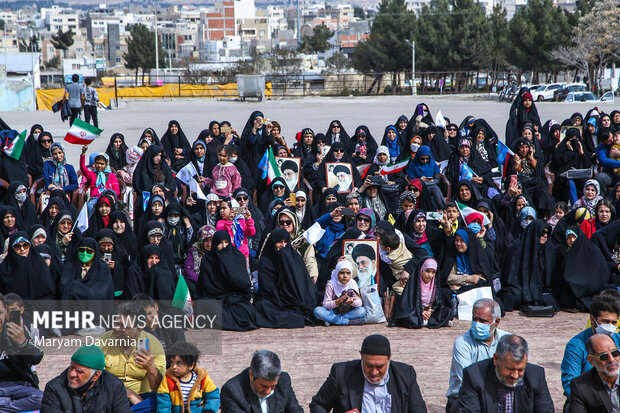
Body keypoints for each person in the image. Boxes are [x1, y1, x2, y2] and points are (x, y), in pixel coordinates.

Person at [310, 334, 427, 412]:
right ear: (361, 356)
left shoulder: (406, 375)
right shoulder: (341, 373)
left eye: (380, 367)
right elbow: (318, 405)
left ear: (389, 359)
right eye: (369, 366)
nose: (374, 372)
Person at [458, 335, 554, 412]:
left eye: (520, 370)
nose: (515, 375)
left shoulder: (536, 376)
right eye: (510, 369)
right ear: (496, 359)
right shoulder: (474, 376)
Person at [445, 298, 509, 413]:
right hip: (466, 396)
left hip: (498, 394)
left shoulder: (507, 341)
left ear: (497, 322)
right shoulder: (463, 343)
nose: (477, 324)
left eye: (483, 321)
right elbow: (467, 380)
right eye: (475, 319)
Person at [99, 302, 165, 411]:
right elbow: (94, 377)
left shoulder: (154, 345)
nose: (117, 329)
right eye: (116, 323)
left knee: (162, 401)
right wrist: (125, 393)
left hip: (141, 399)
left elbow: (158, 388)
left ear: (138, 329)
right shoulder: (103, 342)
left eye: (124, 326)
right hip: (111, 396)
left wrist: (151, 368)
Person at [41, 345, 131, 412]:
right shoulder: (55, 388)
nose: (72, 374)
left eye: (79, 371)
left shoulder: (114, 387)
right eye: (71, 367)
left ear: (96, 376)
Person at [561, 294, 620, 396]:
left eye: (613, 323)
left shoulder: (618, 340)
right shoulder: (576, 346)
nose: (609, 326)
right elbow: (570, 383)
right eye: (605, 321)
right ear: (592, 320)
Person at [0, 293, 44, 413]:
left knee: (43, 397)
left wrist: (22, 343)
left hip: (19, 386)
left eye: (0, 313)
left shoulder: (19, 330)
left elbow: (36, 358)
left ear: (5, 312)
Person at [220, 350, 303, 412]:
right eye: (264, 386)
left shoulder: (284, 380)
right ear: (251, 375)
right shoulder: (232, 392)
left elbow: (295, 410)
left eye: (273, 386)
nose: (269, 391)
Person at [156, 341, 220, 413]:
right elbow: (163, 403)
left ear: (190, 366)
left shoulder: (202, 378)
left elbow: (213, 396)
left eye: (179, 363)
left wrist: (209, 410)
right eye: (172, 362)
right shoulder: (167, 380)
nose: (174, 367)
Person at [390, 256, 452, 329]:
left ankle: (427, 321)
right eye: (427, 271)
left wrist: (430, 311)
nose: (430, 275)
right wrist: (421, 312)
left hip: (429, 312)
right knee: (409, 316)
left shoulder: (434, 284)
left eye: (433, 272)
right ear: (421, 270)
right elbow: (407, 305)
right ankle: (431, 321)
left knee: (447, 312)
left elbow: (438, 303)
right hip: (415, 311)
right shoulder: (413, 283)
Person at [568, 334, 620, 413]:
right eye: (604, 356)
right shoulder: (580, 386)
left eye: (615, 353)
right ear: (591, 361)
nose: (611, 360)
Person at [313, 259, 367, 326]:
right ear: (337, 273)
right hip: (333, 311)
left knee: (362, 311)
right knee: (317, 311)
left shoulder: (353, 283)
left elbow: (359, 302)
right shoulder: (331, 284)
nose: (345, 276)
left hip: (347, 311)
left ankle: (332, 320)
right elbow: (325, 304)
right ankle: (346, 322)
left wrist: (352, 302)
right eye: (342, 273)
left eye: (348, 273)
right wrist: (338, 301)